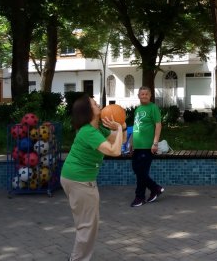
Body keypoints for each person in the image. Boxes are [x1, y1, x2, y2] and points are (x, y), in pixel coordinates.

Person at [61, 94, 123, 261]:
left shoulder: (97, 129)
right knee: (87, 225)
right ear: (88, 111)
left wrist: (120, 128)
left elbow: (116, 140)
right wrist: (119, 130)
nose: (99, 105)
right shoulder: (88, 131)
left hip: (80, 179)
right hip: (79, 180)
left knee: (89, 224)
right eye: (95, 104)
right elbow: (115, 151)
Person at [130, 86, 164, 207]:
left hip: (147, 146)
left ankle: (139, 197)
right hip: (137, 146)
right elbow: (136, 127)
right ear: (138, 96)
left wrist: (155, 143)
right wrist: (131, 141)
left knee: (141, 172)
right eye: (142, 94)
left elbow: (158, 126)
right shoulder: (137, 109)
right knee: (136, 169)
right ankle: (155, 188)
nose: (144, 96)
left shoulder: (153, 108)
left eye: (146, 94)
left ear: (150, 96)